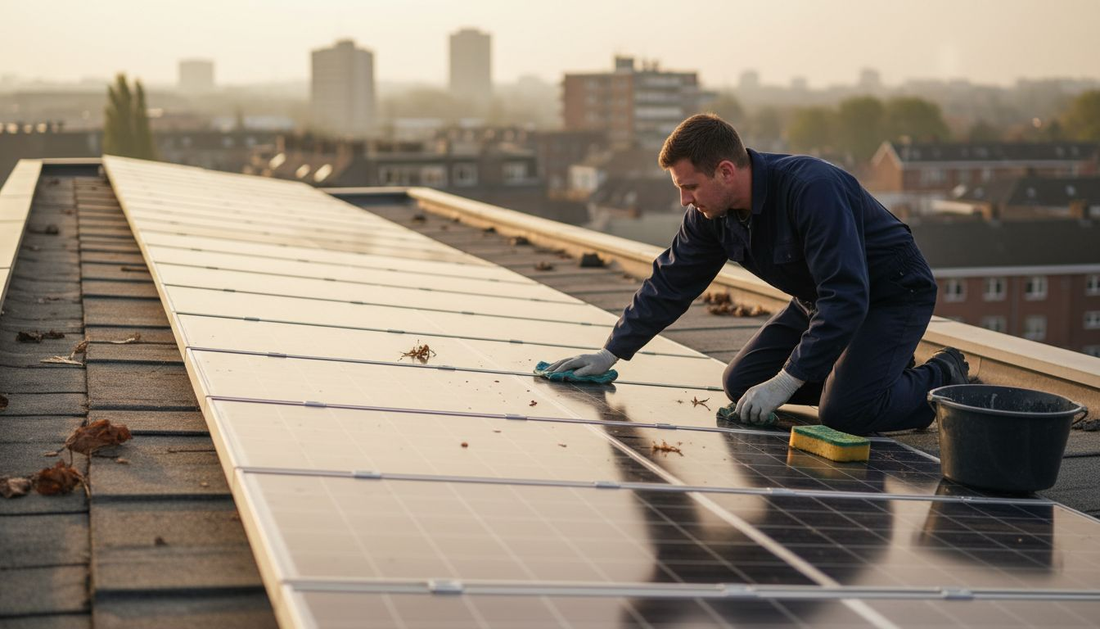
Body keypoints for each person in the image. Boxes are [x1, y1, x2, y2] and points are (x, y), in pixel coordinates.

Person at [547, 113, 969, 435]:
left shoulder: (811, 190)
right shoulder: (711, 212)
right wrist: (610, 352)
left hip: (891, 295)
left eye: (690, 186)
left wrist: (786, 382)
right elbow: (670, 282)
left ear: (726, 171)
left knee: (845, 413)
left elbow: (848, 296)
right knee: (743, 382)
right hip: (820, 301)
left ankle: (943, 375)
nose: (683, 200)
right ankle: (876, 372)